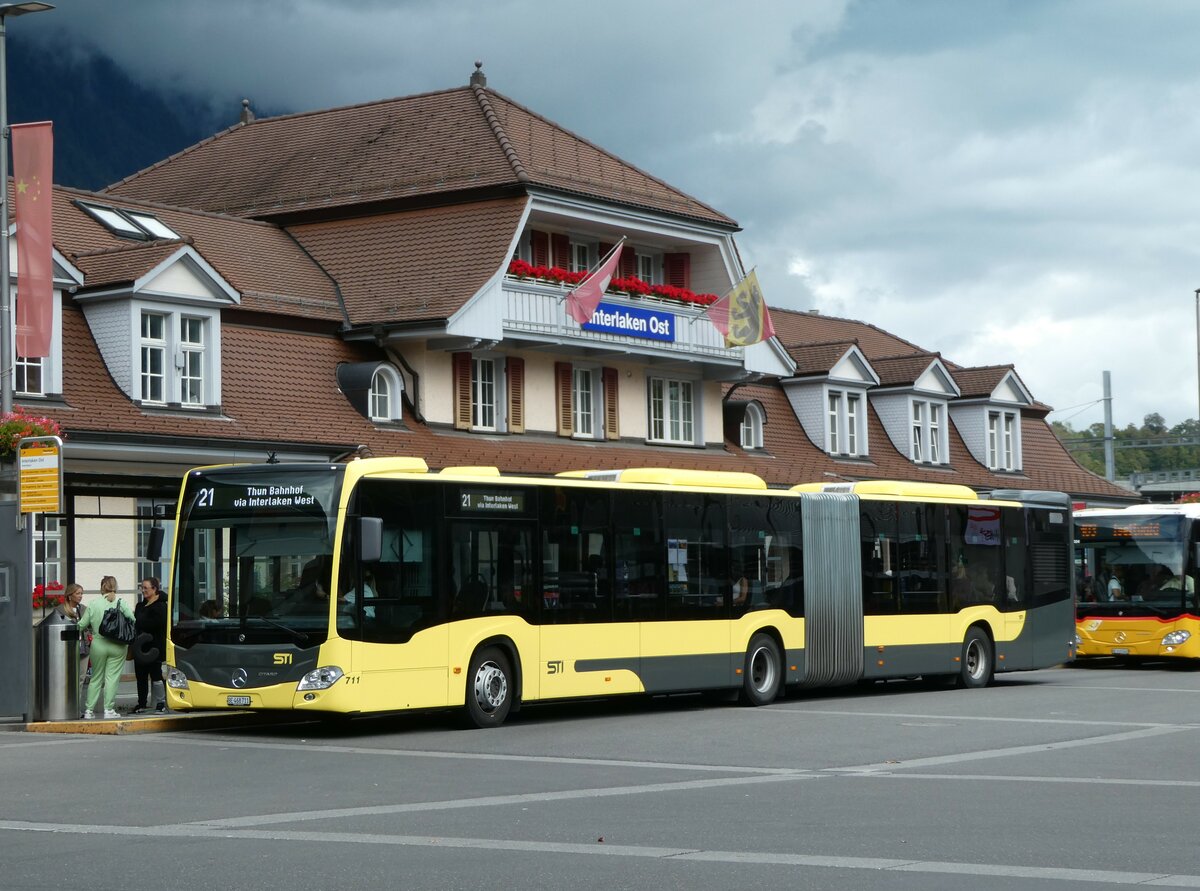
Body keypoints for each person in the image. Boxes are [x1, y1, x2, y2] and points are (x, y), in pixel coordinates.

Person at [76, 576, 132, 720]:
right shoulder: (121, 602)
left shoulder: (93, 604)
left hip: (98, 644)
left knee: (96, 677)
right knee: (112, 678)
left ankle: (89, 710)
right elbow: (132, 620)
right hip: (118, 645)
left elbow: (81, 625)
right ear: (115, 586)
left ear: (102, 587)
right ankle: (109, 709)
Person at [132, 577, 168, 714]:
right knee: (140, 676)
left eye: (146, 587)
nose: (143, 590)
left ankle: (161, 703)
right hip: (140, 647)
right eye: (142, 587)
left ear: (154, 589)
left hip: (155, 647)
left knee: (156, 675)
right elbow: (138, 623)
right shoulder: (140, 606)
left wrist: (141, 621)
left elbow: (156, 624)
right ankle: (141, 704)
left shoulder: (161, 605)